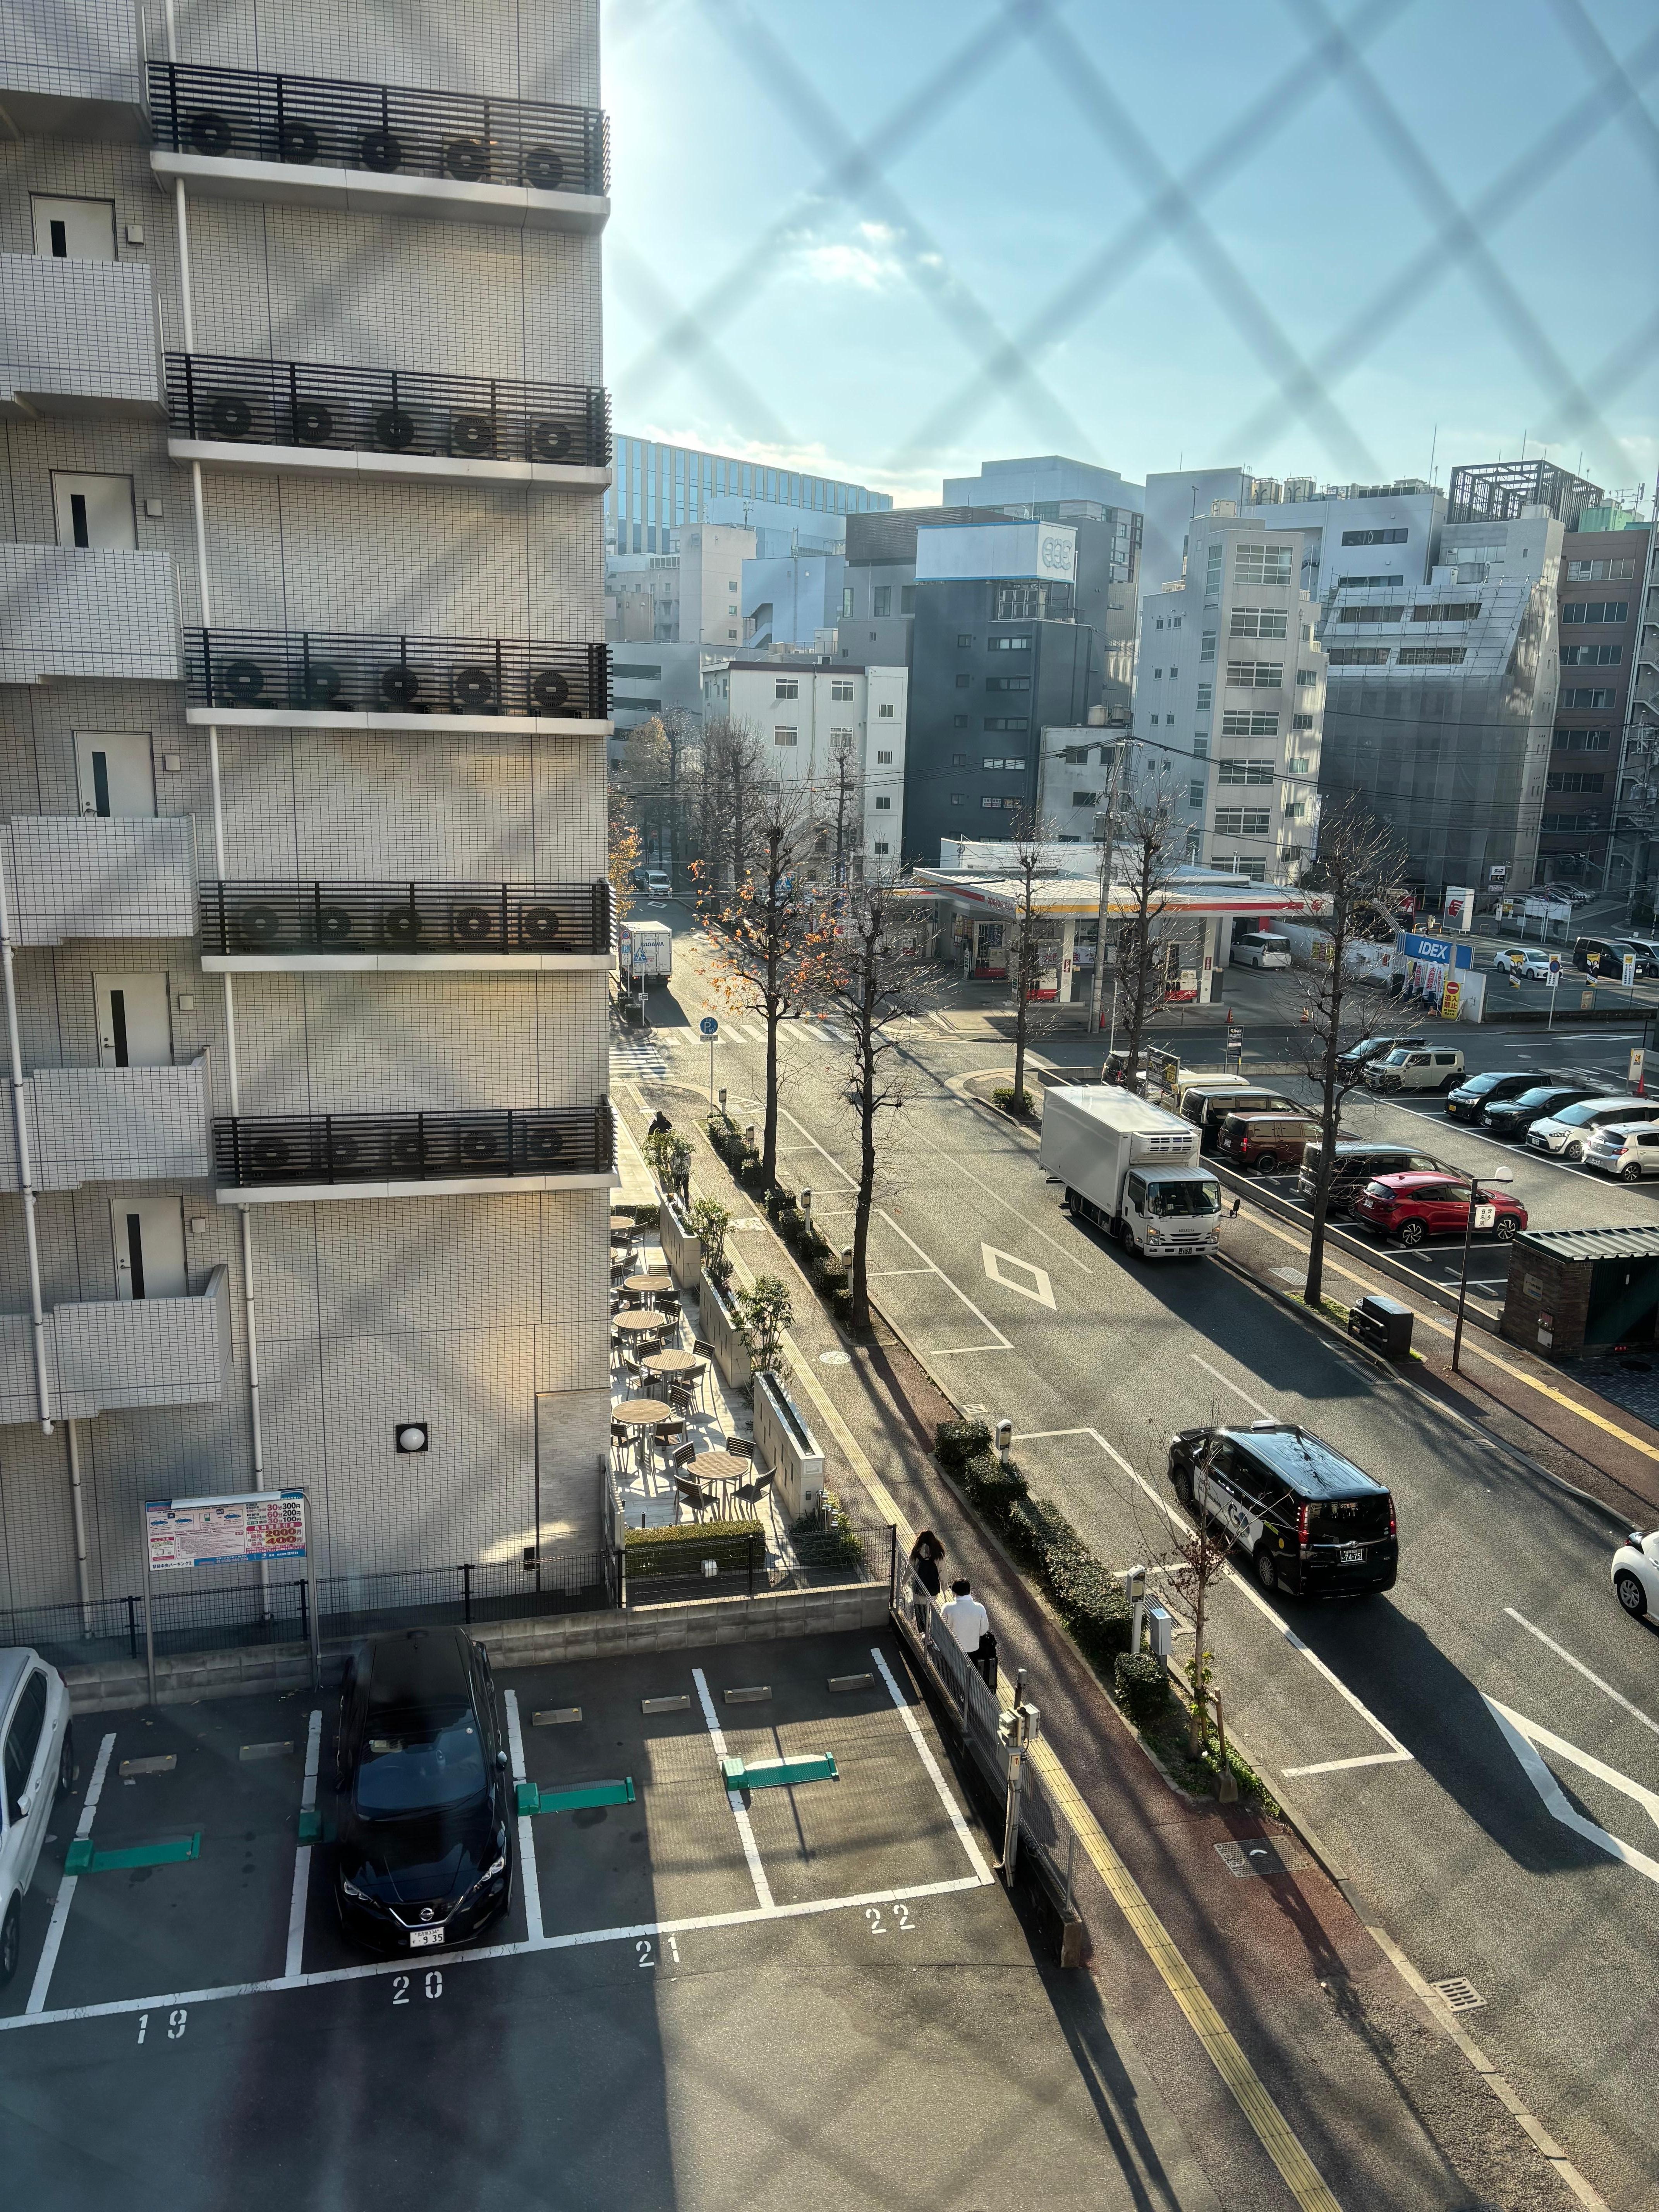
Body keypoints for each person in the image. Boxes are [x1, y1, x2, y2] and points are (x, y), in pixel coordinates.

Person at [938, 1575, 993, 1683]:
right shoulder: (980, 1608)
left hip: (951, 1650)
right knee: (968, 1677)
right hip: (972, 1649)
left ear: (954, 1592)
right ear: (969, 1591)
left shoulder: (948, 1608)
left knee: (949, 1676)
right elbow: (983, 1631)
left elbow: (940, 1627)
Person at [908, 1529, 944, 1629]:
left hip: (919, 1589)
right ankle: (930, 1631)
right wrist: (945, 1587)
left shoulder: (916, 1553)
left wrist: (903, 1582)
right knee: (930, 1611)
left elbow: (909, 1569)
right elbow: (943, 1572)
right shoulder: (938, 1554)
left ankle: (923, 1632)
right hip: (932, 1589)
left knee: (920, 1612)